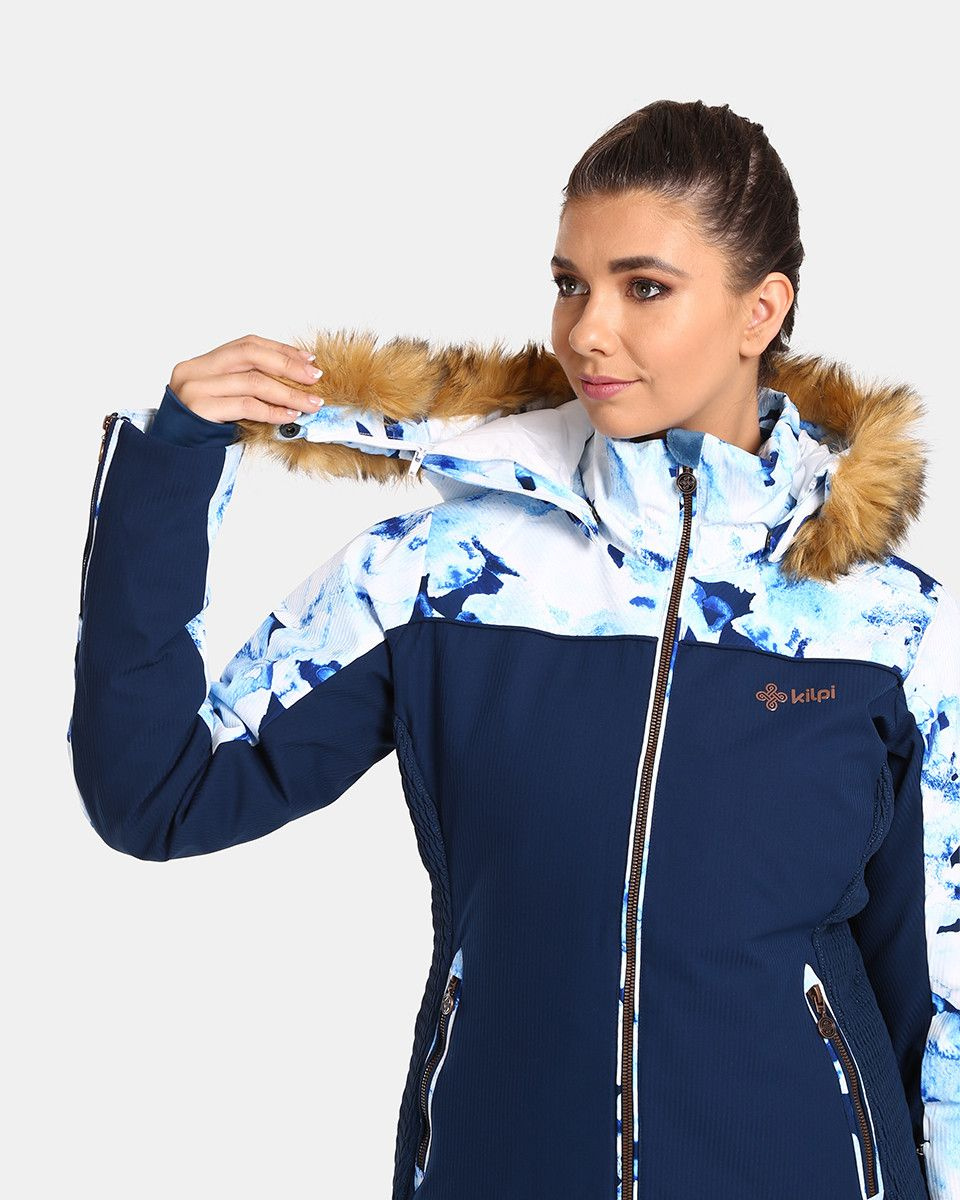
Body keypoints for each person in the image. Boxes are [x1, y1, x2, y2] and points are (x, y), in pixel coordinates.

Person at [67, 99, 958, 1200]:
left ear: (760, 310)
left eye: (644, 288)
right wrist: (170, 467)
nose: (587, 331)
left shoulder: (885, 627)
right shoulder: (440, 578)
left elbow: (937, 1000)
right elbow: (160, 793)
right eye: (570, 283)